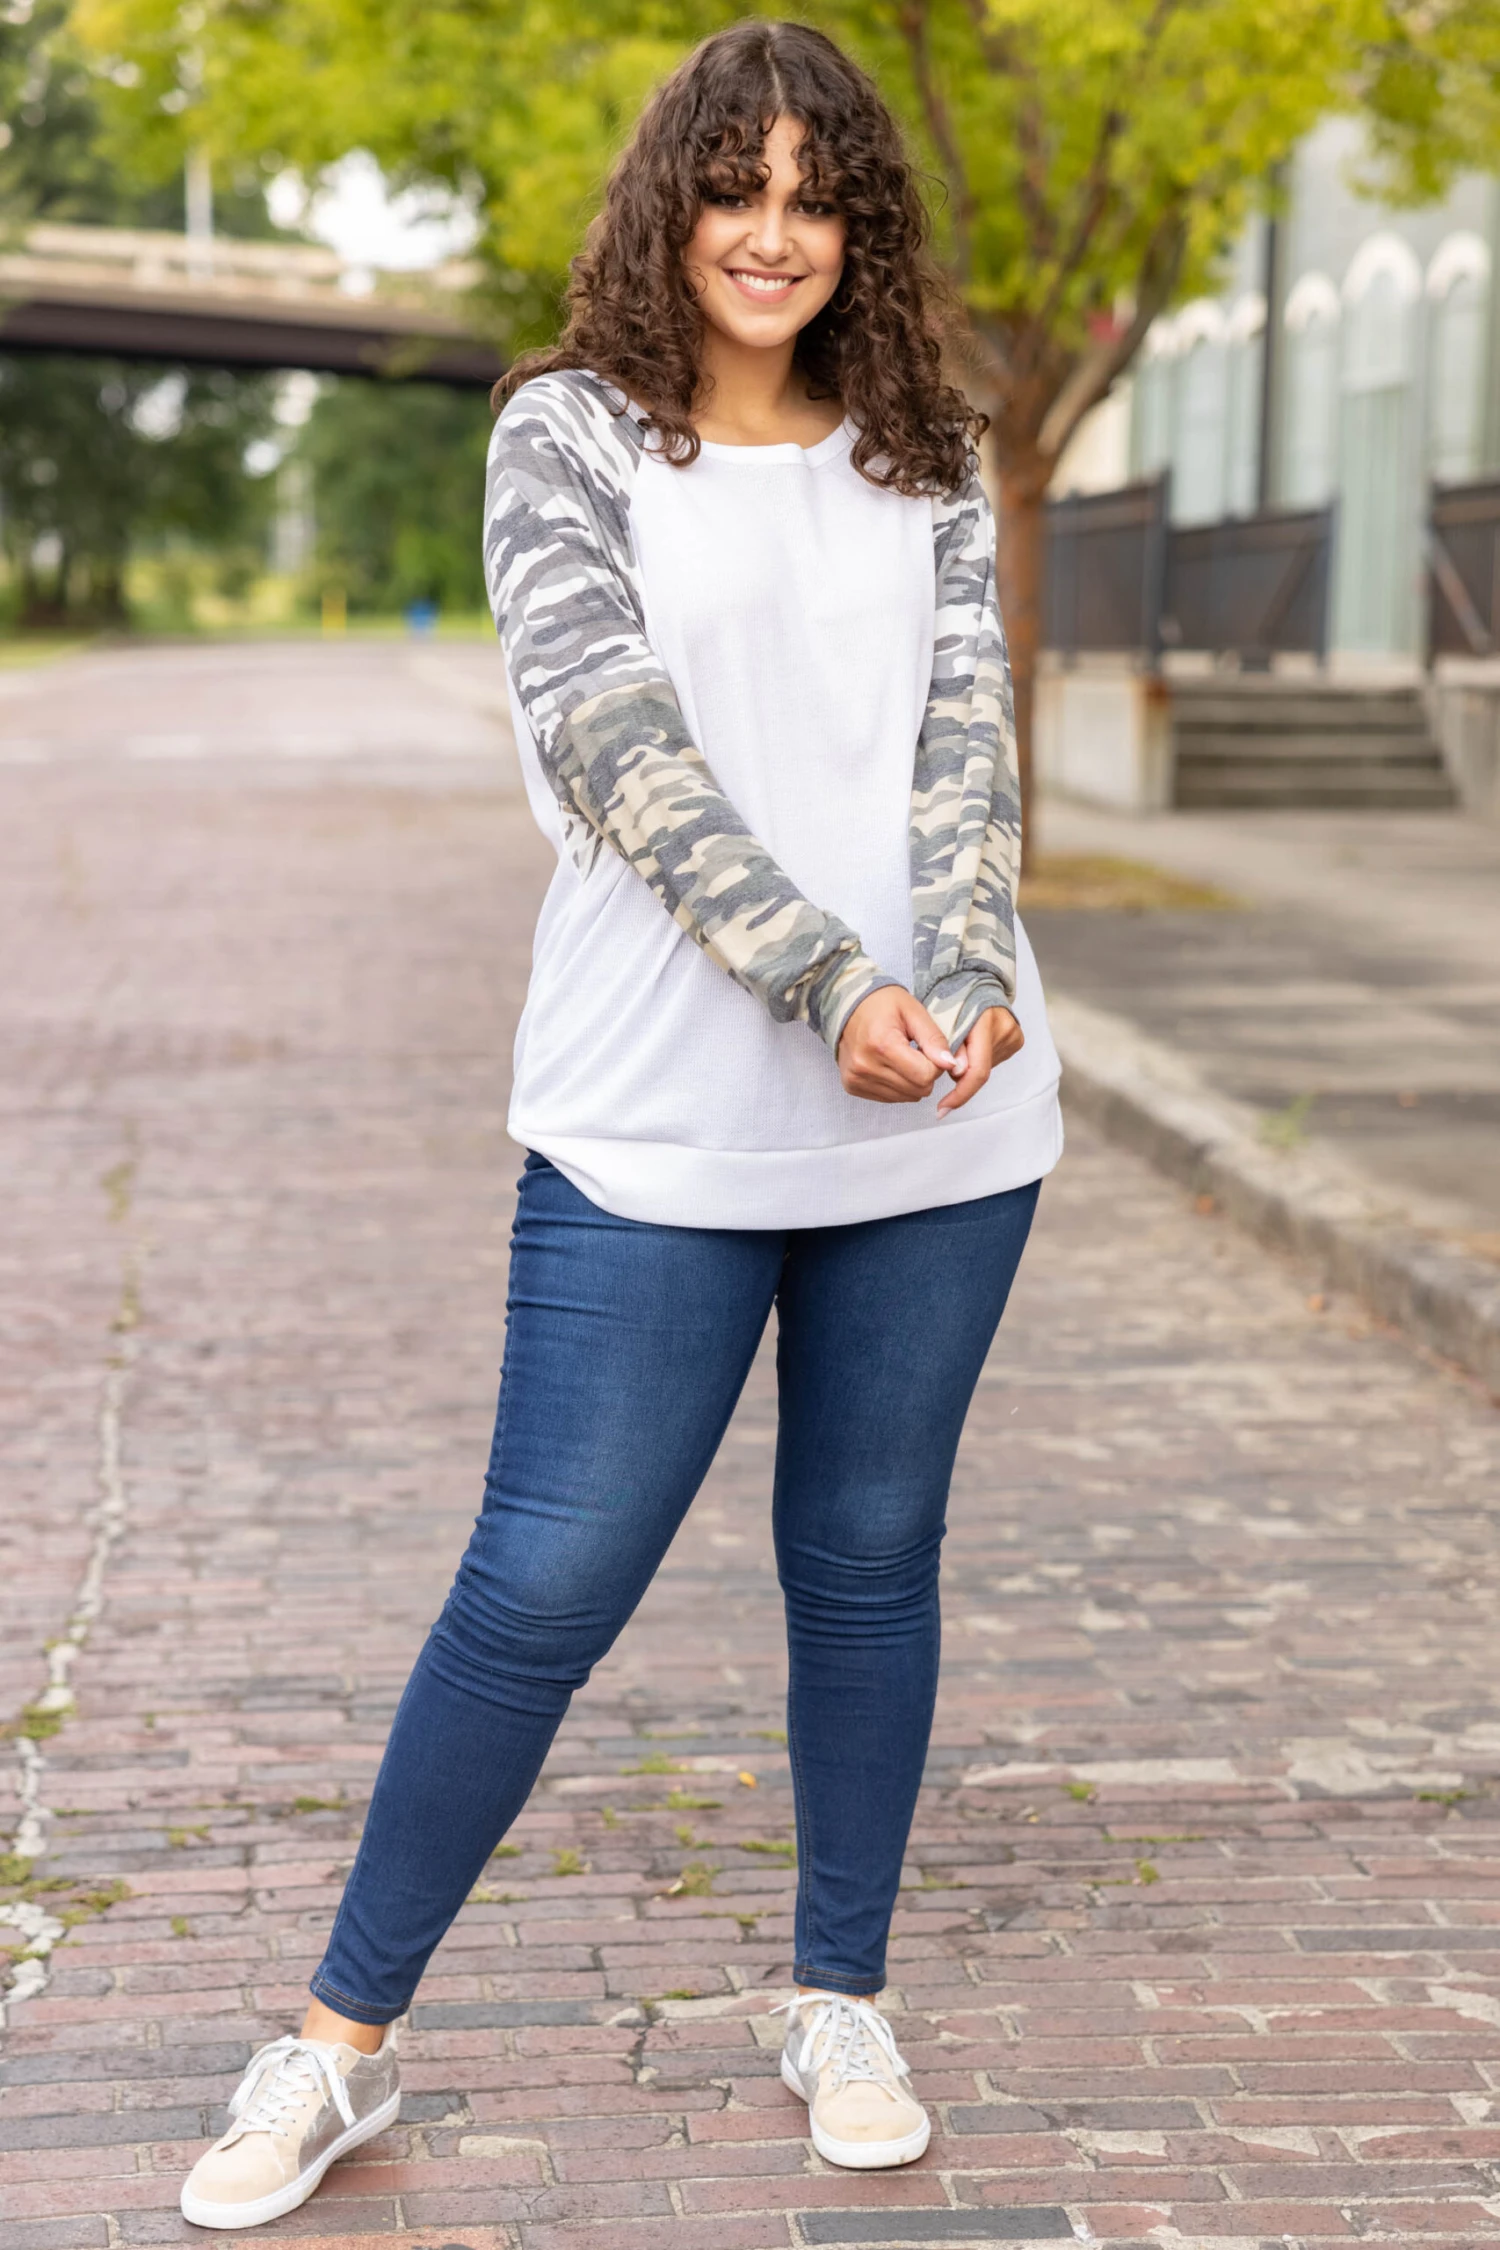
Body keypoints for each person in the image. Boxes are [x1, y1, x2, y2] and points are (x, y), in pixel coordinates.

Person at [179, 18, 1062, 2230]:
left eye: (816, 196)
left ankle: (838, 1993)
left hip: (941, 1120)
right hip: (657, 1111)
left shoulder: (927, 451)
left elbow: (968, 740)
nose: (773, 233)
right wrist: (830, 981)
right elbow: (611, 739)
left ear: (860, 227)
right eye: (734, 186)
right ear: (671, 202)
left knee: (867, 1558)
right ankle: (333, 2046)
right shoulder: (566, 434)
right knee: (545, 1575)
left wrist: (961, 970)